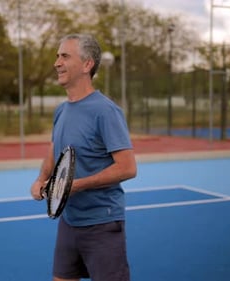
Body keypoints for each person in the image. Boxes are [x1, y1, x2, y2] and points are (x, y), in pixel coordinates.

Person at [30, 33, 137, 281]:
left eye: (65, 56)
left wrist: (75, 185)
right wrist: (40, 179)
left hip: (102, 224)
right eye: (57, 56)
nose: (57, 63)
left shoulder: (106, 111)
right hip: (69, 222)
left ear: (87, 64)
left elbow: (128, 168)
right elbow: (53, 152)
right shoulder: (61, 111)